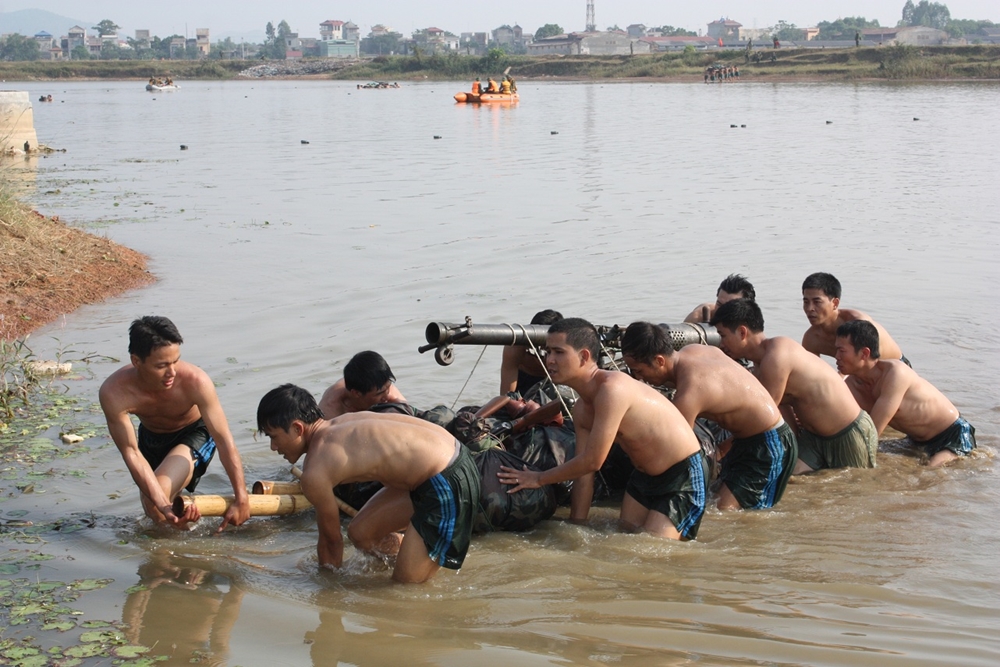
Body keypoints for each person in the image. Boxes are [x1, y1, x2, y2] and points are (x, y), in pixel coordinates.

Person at [498, 318, 708, 540]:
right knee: (625, 536)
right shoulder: (581, 410)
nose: (549, 360)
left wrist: (539, 478)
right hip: (644, 478)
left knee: (652, 550)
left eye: (558, 352)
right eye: (547, 352)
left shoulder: (613, 389)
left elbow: (593, 460)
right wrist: (576, 527)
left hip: (682, 474)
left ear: (584, 357)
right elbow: (584, 473)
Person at [257, 385, 480, 583]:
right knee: (362, 533)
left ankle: (415, 564)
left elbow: (331, 542)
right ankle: (412, 552)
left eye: (273, 437)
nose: (273, 447)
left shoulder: (315, 472)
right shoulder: (339, 423)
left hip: (447, 478)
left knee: (405, 587)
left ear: (297, 428)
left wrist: (326, 592)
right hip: (443, 462)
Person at [620, 321, 796, 511]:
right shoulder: (694, 350)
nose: (639, 378)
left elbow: (673, 452)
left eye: (639, 371)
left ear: (659, 361)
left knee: (728, 511)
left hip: (771, 444)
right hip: (743, 441)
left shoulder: (690, 393)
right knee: (717, 503)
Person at [99, 316, 250, 531]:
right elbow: (131, 452)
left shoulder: (196, 381)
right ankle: (184, 543)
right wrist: (163, 505)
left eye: (175, 361)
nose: (172, 373)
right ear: (136, 361)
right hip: (151, 438)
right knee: (155, 508)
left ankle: (178, 552)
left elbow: (224, 440)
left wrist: (241, 497)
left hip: (194, 434)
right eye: (161, 366)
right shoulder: (114, 392)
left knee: (158, 496)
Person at [711, 299, 877, 472]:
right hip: (812, 440)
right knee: (791, 482)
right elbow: (782, 414)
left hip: (847, 433)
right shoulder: (760, 366)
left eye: (723, 336)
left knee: (855, 489)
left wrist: (721, 450)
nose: (721, 345)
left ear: (742, 332)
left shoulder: (777, 355)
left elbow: (761, 417)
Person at [835, 321, 977, 467]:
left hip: (953, 434)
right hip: (916, 440)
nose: (836, 356)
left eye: (842, 351)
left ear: (865, 353)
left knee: (928, 472)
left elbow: (873, 432)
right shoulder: (851, 386)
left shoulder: (896, 373)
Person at [801, 272, 907, 364]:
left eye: (817, 302)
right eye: (806, 302)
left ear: (835, 303)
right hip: (861, 378)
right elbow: (813, 374)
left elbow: (863, 365)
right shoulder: (811, 339)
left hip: (897, 369)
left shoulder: (858, 324)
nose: (810, 308)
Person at [318, 350, 407, 419]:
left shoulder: (386, 390)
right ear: (356, 393)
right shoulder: (331, 408)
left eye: (388, 387)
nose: (386, 396)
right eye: (380, 394)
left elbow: (410, 416)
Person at [500, 309, 563, 395]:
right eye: (537, 344)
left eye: (547, 349)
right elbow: (506, 394)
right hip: (522, 384)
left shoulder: (566, 351)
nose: (541, 350)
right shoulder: (516, 347)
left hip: (554, 385)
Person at [684, 273, 756, 324]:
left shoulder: (752, 325)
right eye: (719, 304)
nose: (722, 311)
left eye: (730, 308)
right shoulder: (697, 318)